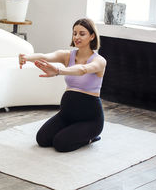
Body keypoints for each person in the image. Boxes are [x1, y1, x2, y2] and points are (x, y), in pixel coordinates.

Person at [18, 18, 107, 152]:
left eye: (82, 34)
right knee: (42, 139)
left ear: (92, 36)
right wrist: (26, 58)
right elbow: (45, 56)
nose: (77, 37)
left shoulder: (99, 61)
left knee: (61, 144)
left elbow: (82, 70)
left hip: (90, 119)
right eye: (74, 33)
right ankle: (72, 130)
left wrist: (58, 71)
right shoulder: (67, 56)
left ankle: (91, 137)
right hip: (67, 115)